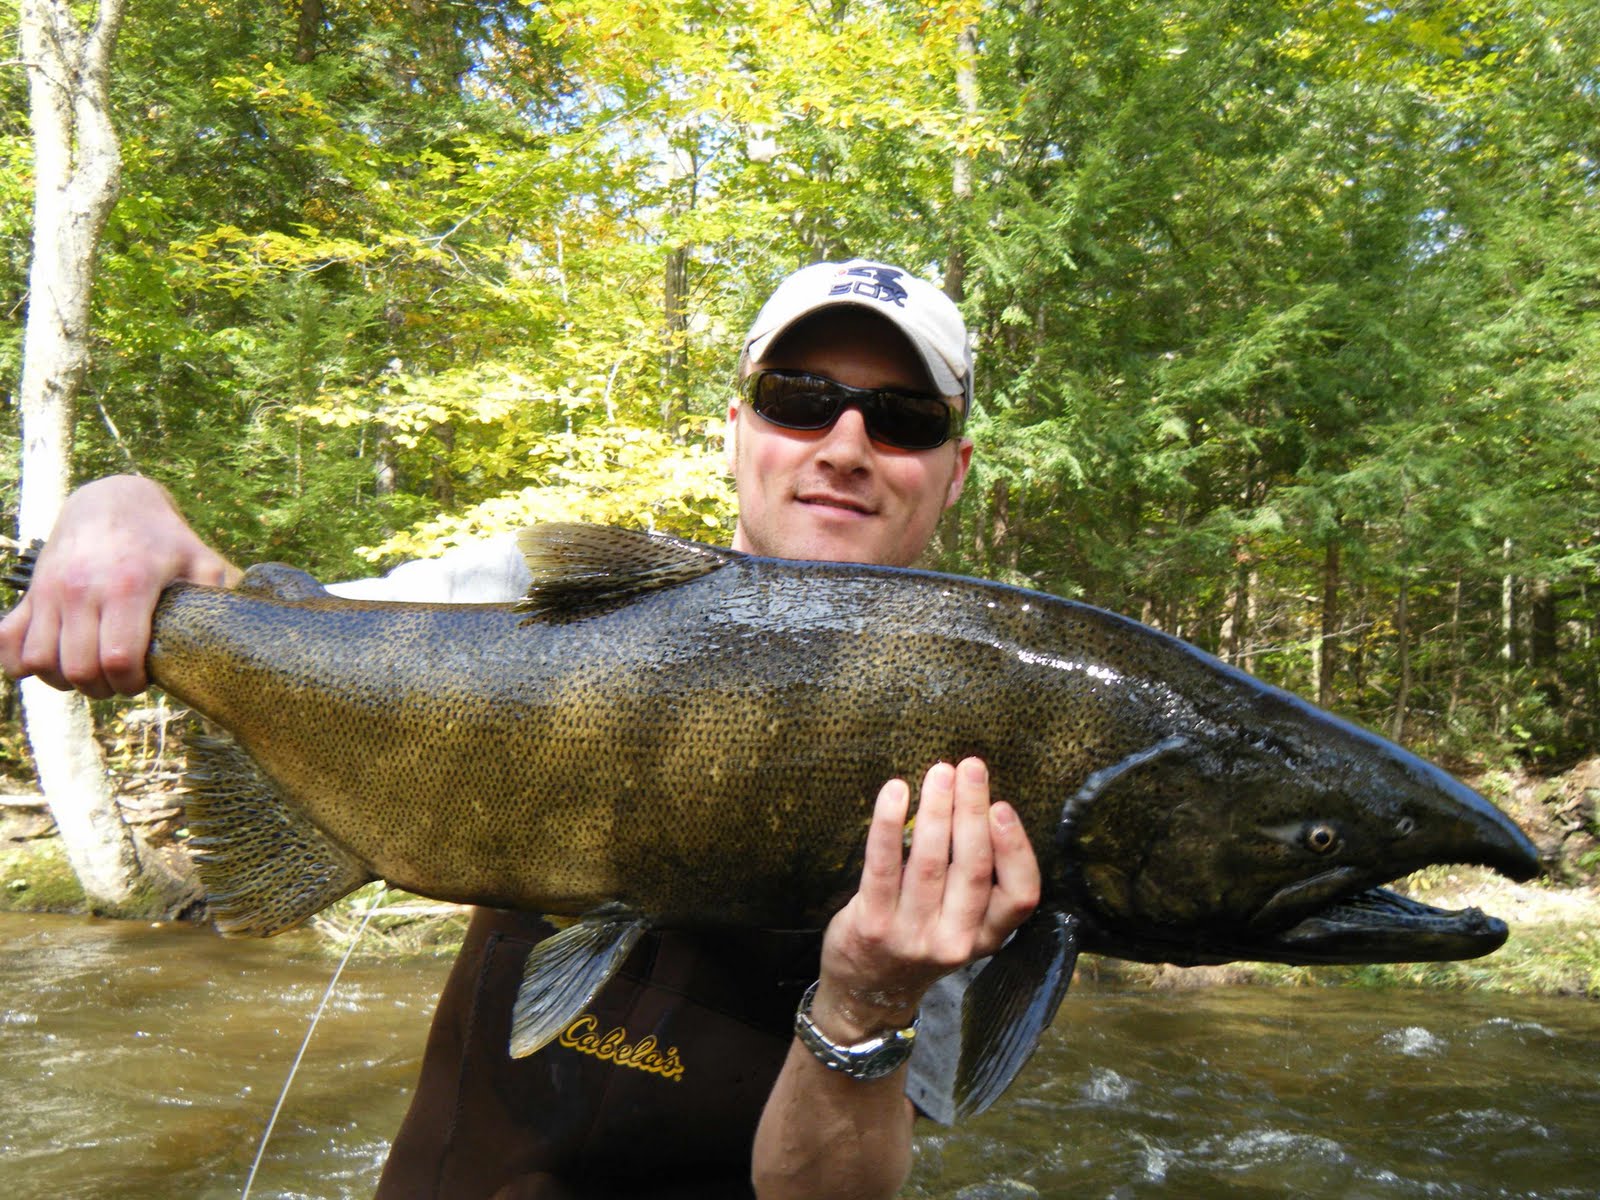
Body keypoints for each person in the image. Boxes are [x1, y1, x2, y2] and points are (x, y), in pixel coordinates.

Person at [0, 259, 1041, 1198]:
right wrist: (117, 505)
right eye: (800, 400)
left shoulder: (996, 768)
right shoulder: (528, 601)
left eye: (903, 418)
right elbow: (265, 632)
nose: (846, 446)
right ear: (736, 430)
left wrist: (865, 1006)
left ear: (953, 470)